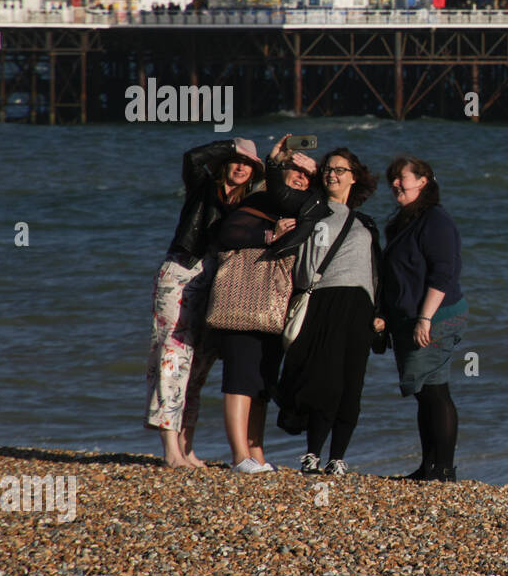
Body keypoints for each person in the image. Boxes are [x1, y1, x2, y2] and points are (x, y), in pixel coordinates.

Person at [146, 137, 265, 467]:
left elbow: (278, 192)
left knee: (200, 365)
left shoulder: (248, 203)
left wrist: (278, 157)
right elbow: (192, 158)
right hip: (182, 271)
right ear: (225, 163)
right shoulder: (202, 187)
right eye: (236, 161)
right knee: (172, 355)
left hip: (218, 282)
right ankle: (171, 450)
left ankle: (187, 448)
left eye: (249, 164)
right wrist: (232, 146)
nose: (242, 167)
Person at [269, 140, 385, 475]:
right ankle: (312, 453)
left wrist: (382, 314)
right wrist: (278, 162)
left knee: (351, 382)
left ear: (354, 178)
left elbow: (379, 273)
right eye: (329, 168)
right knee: (322, 380)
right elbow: (279, 194)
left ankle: (338, 457)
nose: (333, 174)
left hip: (359, 305)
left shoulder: (366, 223)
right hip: (322, 299)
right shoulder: (311, 206)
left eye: (340, 170)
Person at [208, 138, 309, 473]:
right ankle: (239, 456)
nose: (300, 178)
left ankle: (257, 453)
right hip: (244, 302)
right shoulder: (261, 199)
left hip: (272, 307)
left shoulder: (302, 208)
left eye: (307, 175)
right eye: (294, 171)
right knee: (239, 379)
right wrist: (271, 233)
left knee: (263, 381)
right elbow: (230, 233)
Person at [381, 156, 468, 482]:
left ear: (424, 181)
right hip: (414, 317)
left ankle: (443, 469)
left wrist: (424, 319)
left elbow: (444, 273)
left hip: (437, 316)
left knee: (434, 391)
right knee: (425, 390)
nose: (394, 185)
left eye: (400, 178)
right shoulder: (407, 219)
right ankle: (429, 466)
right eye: (392, 179)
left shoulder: (435, 220)